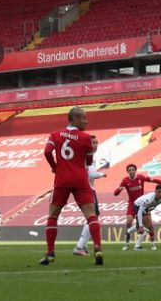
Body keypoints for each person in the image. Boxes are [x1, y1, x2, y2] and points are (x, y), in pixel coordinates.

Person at [39, 107, 103, 266]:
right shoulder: (86, 138)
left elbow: (47, 152)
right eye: (84, 118)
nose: (87, 121)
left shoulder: (54, 135)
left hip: (62, 180)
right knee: (91, 215)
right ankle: (97, 247)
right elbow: (88, 162)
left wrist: (54, 167)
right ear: (75, 119)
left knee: (53, 216)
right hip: (81, 180)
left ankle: (50, 253)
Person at [114, 164, 161, 250]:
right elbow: (115, 193)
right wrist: (118, 190)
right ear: (127, 172)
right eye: (129, 170)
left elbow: (154, 180)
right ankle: (126, 244)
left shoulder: (141, 177)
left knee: (148, 225)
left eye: (133, 170)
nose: (131, 171)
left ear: (135, 170)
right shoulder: (125, 180)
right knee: (128, 222)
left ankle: (147, 244)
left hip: (143, 203)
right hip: (132, 203)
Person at [73, 157, 110, 256]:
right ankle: (80, 246)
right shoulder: (89, 158)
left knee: (91, 218)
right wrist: (102, 174)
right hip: (89, 190)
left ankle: (82, 245)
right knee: (93, 218)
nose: (94, 145)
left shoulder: (79, 157)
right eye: (93, 143)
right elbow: (92, 174)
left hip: (81, 190)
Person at [127, 185, 161, 251]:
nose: (160, 194)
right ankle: (140, 247)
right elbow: (140, 211)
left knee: (147, 226)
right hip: (138, 205)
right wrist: (140, 226)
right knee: (146, 228)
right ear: (155, 191)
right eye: (159, 192)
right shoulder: (148, 199)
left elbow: (155, 205)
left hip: (147, 207)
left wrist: (150, 209)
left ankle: (128, 231)